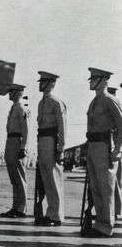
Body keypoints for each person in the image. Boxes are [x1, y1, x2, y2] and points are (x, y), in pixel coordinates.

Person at [82, 68, 122, 237]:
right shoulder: (94, 101)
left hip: (105, 146)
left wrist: (118, 149)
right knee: (96, 187)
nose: (91, 81)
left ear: (104, 81)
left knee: (106, 187)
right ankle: (100, 224)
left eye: (94, 79)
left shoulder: (109, 100)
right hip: (93, 145)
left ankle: (106, 226)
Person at [36, 71, 67, 226]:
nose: (40, 84)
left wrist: (60, 148)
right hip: (42, 140)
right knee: (46, 179)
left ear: (50, 84)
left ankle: (56, 216)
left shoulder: (56, 102)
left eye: (43, 82)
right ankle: (50, 212)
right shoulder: (41, 103)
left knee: (54, 179)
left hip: (51, 141)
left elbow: (62, 127)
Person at [0, 83, 29, 218]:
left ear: (18, 93)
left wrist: (23, 147)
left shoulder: (21, 108)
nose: (9, 94)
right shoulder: (13, 108)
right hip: (10, 141)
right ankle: (15, 206)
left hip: (17, 141)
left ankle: (21, 208)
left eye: (11, 92)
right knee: (13, 177)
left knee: (19, 176)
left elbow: (25, 129)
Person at [107, 86, 122, 218]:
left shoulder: (116, 105)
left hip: (116, 147)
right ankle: (116, 210)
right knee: (115, 180)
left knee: (115, 180)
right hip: (115, 146)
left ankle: (117, 209)